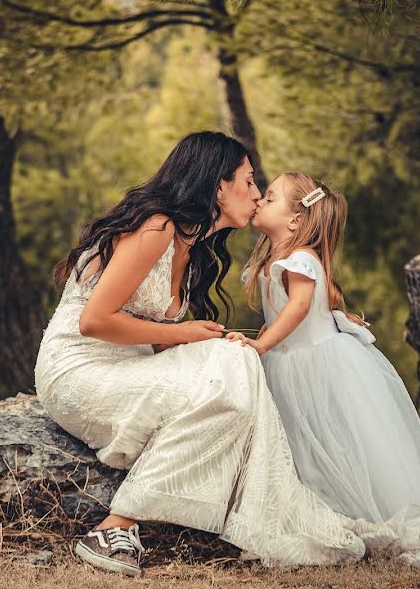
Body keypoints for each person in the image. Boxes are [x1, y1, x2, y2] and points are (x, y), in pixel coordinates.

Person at [35, 133, 381, 577]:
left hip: (130, 367)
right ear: (219, 187)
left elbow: (152, 335)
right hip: (79, 371)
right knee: (231, 363)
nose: (257, 196)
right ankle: (116, 525)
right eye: (250, 182)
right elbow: (95, 322)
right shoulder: (156, 227)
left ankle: (255, 511)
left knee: (237, 360)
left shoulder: (193, 248)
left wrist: (195, 339)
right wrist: (181, 335)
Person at [228, 172, 420, 572]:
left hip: (317, 366)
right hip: (290, 363)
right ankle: (316, 508)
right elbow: (284, 313)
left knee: (334, 438)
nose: (259, 202)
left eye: (269, 198)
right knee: (303, 444)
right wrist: (264, 337)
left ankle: (359, 511)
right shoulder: (279, 258)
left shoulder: (301, 258)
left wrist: (263, 344)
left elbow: (300, 307)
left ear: (294, 220)